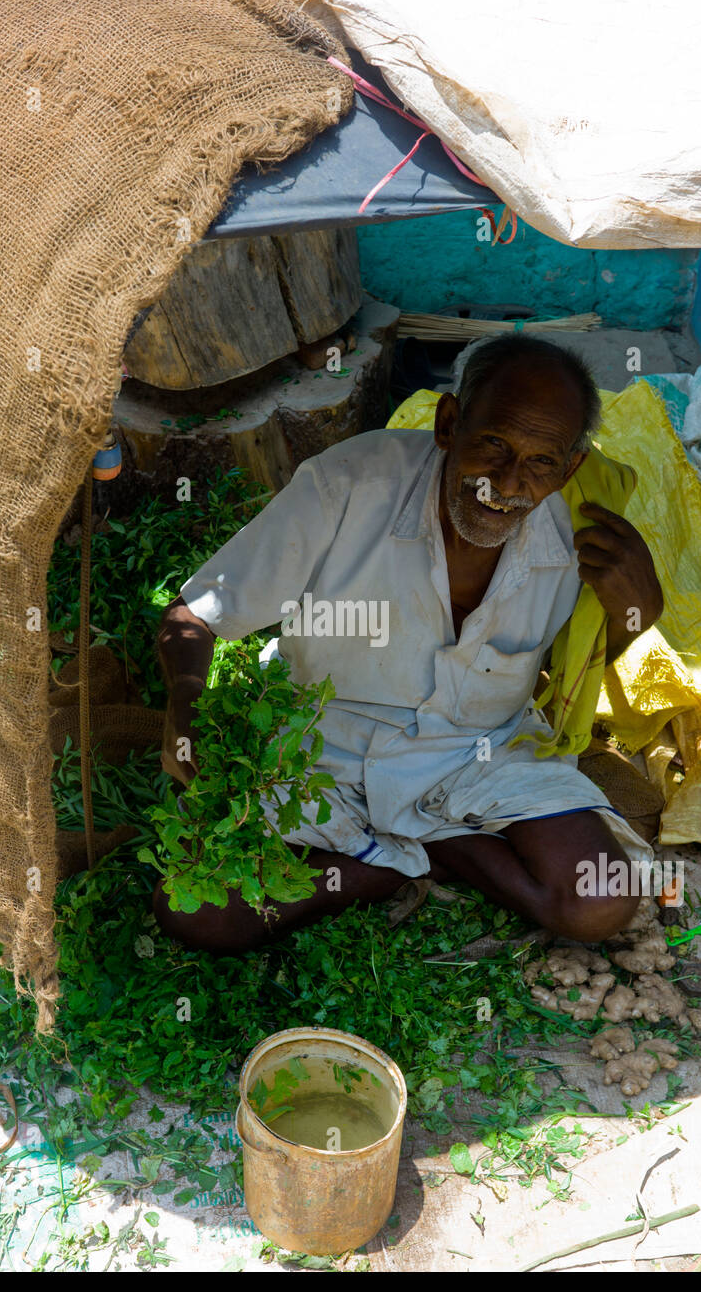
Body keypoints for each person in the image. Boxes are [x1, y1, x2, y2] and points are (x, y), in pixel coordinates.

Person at [154, 335, 663, 954]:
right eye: (494, 444)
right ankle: (427, 856)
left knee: (600, 897)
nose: (507, 482)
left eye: (540, 463)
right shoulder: (348, 485)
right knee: (198, 911)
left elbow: (576, 673)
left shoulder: (583, 536)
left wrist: (639, 610)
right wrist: (184, 704)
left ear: (570, 468)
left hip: (480, 757)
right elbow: (195, 614)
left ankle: (403, 854)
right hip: (319, 751)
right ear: (449, 424)